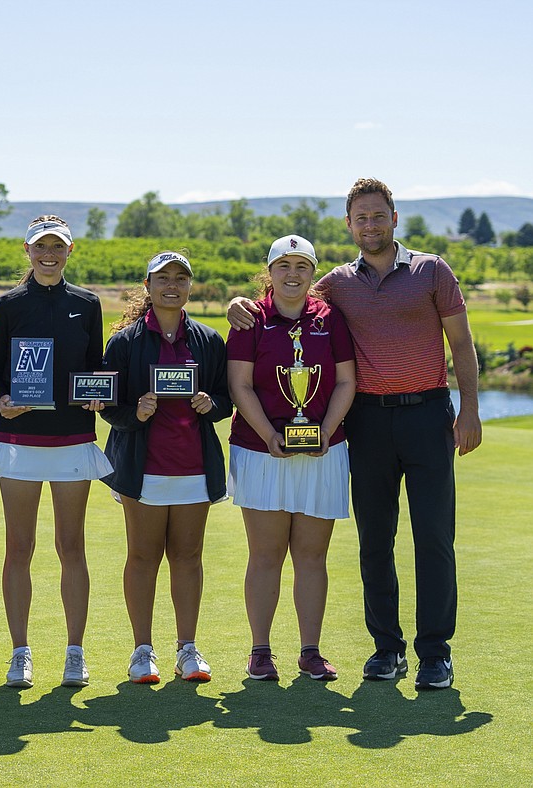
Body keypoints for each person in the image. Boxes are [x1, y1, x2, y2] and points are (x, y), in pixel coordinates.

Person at [228, 178, 481, 690]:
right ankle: (386, 649)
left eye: (377, 216)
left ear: (394, 217)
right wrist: (240, 302)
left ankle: (435, 652)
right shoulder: (337, 283)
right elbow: (287, 294)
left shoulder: (432, 270)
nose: (370, 225)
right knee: (375, 540)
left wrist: (470, 407)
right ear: (349, 225)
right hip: (366, 421)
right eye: (360, 218)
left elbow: (461, 341)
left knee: (434, 537)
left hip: (428, 414)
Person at [0, 215, 110, 688]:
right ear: (27, 250)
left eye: (57, 246)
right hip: (19, 439)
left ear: (70, 251)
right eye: (41, 247)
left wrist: (98, 392)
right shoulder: (7, 305)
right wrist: (3, 398)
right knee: (19, 547)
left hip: (72, 436)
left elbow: (94, 366)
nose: (49, 254)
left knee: (70, 546)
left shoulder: (88, 303)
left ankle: (75, 652)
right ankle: (20, 653)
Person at [226, 235, 356, 682]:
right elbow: (239, 385)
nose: (293, 274)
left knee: (311, 555)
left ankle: (310, 651)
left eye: (302, 265)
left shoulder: (330, 319)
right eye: (284, 265)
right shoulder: (250, 318)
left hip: (322, 451)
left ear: (313, 272)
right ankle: (260, 651)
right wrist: (269, 435)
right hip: (261, 452)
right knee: (265, 555)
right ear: (271, 272)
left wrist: (325, 429)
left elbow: (345, 382)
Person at [100, 251, 231, 685]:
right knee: (142, 555)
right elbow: (108, 407)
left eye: (181, 278)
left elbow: (225, 400)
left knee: (188, 557)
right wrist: (134, 412)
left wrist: (211, 406)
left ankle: (187, 649)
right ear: (148, 285)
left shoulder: (210, 340)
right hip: (143, 469)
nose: (171, 285)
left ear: (190, 286)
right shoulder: (124, 342)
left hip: (194, 467)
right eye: (163, 278)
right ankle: (142, 651)